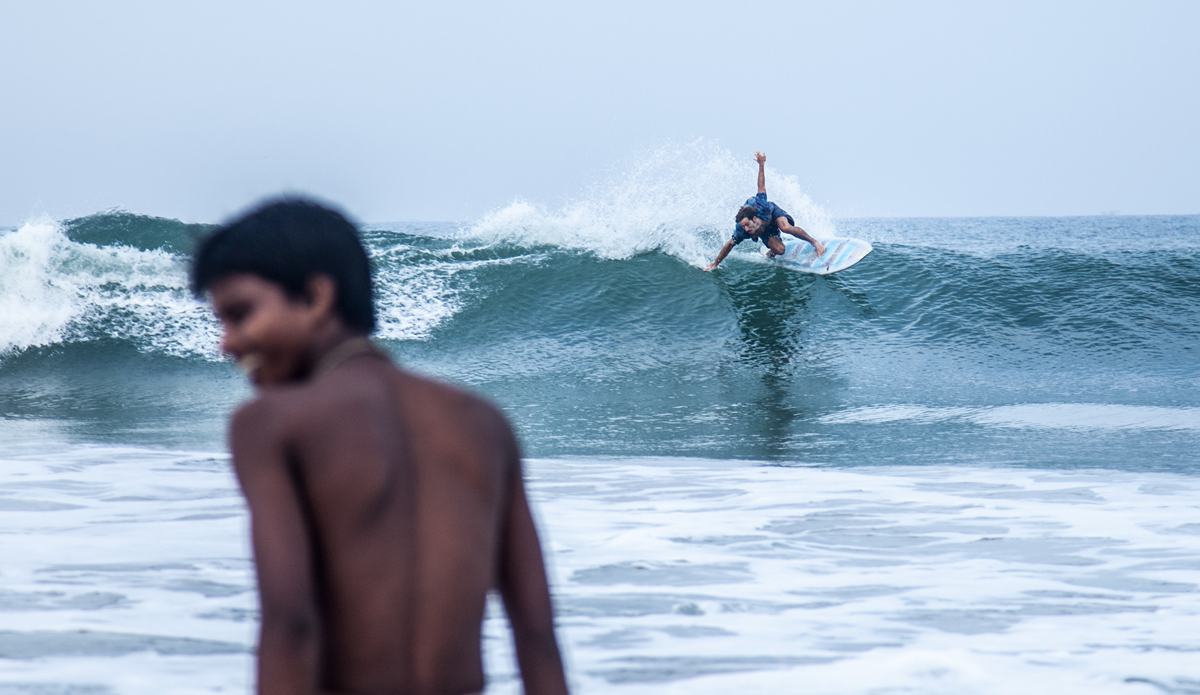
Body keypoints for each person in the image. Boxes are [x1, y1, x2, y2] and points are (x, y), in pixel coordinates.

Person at [189, 198, 569, 695]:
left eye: (240, 315)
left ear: (315, 297)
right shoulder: (482, 421)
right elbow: (537, 637)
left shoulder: (272, 423)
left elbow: (291, 622)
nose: (226, 343)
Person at [704, 152, 826, 271]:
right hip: (765, 230)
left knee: (785, 227)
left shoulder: (760, 206)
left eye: (747, 224)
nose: (746, 229)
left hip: (773, 214)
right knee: (780, 250)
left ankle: (815, 242)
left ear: (754, 218)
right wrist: (714, 264)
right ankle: (771, 251)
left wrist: (761, 164)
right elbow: (729, 244)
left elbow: (761, 186)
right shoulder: (742, 230)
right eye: (743, 226)